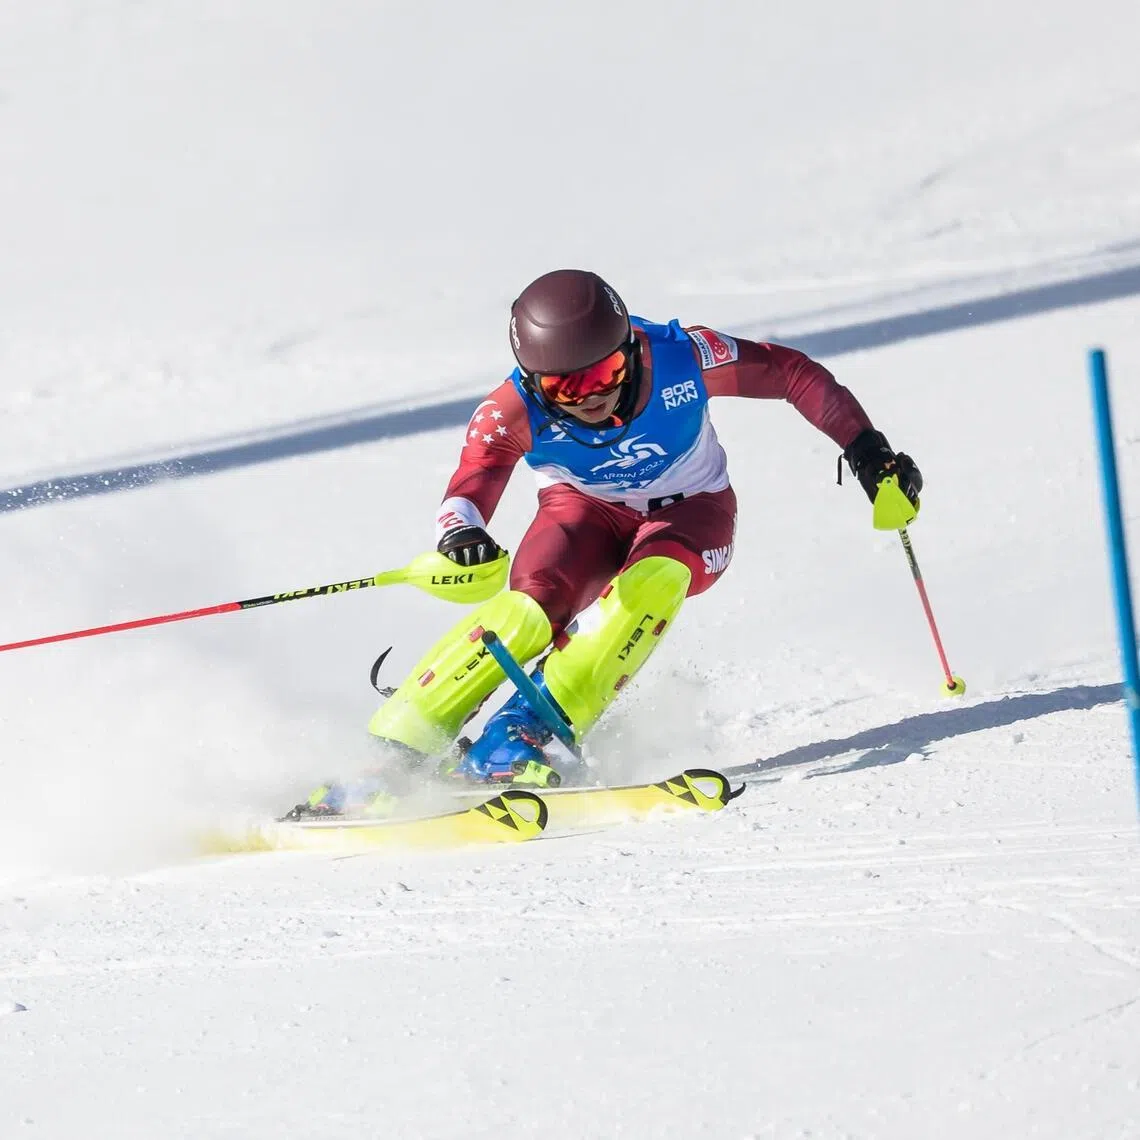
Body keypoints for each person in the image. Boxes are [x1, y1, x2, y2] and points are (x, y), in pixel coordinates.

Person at [309, 269, 921, 811]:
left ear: (630, 347)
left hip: (692, 510)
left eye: (605, 371)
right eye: (565, 389)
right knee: (529, 606)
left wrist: (867, 450)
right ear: (532, 380)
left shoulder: (682, 355)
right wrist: (462, 531)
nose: (592, 395)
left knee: (651, 583)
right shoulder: (511, 408)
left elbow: (791, 373)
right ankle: (396, 745)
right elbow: (474, 478)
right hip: (584, 511)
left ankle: (526, 732)